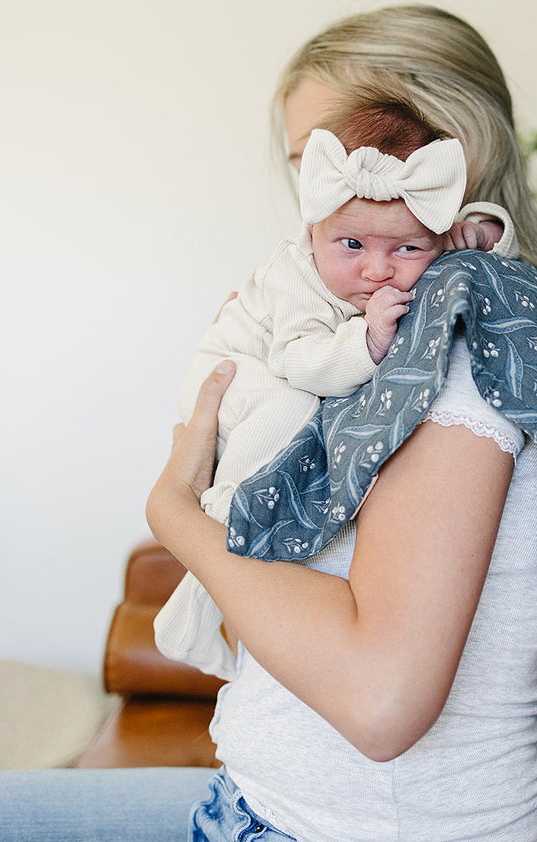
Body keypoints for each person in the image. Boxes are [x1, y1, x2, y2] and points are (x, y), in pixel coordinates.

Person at [0, 4, 537, 842]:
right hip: (268, 818)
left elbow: (384, 697)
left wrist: (177, 517)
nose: (319, 208)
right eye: (309, 174)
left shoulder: (471, 337)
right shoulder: (397, 316)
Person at [156, 99, 517, 676]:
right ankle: (212, 544)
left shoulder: (422, 239)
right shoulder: (294, 276)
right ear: (313, 229)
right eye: (351, 246)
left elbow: (481, 250)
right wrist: (368, 341)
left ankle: (200, 606)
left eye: (406, 249)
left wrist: (483, 230)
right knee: (295, 413)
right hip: (242, 372)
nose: (377, 270)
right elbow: (300, 362)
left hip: (289, 367)